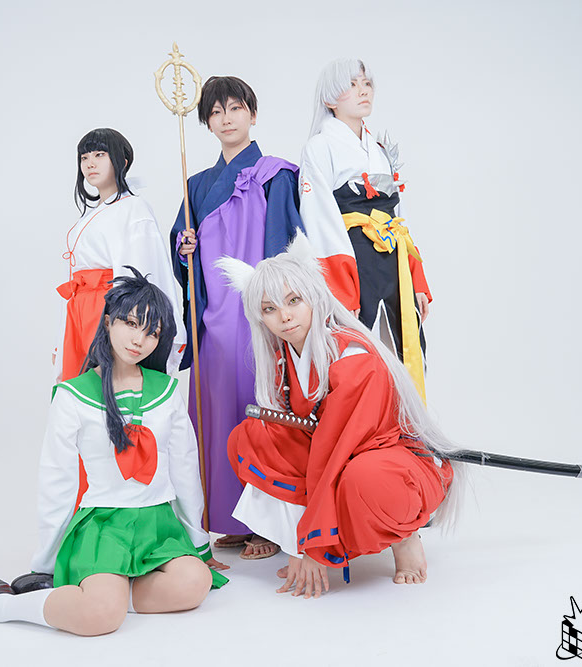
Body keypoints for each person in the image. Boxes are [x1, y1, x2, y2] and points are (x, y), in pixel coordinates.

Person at [0, 269, 227, 635]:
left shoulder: (166, 392)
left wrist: (199, 544)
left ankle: (111, 594)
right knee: (101, 618)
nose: (139, 340)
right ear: (108, 322)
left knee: (195, 584)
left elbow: (184, 470)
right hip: (103, 527)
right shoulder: (72, 396)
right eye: (131, 324)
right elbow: (58, 480)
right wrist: (45, 564)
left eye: (152, 332)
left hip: (158, 527)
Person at [217, 234, 465, 599]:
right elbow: (311, 443)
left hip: (385, 458)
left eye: (294, 300)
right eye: (269, 309)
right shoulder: (285, 357)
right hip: (332, 452)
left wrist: (313, 547)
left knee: (366, 479)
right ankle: (305, 540)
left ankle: (405, 538)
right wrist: (299, 546)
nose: (284, 316)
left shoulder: (352, 359)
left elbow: (334, 449)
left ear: (314, 296)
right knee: (252, 436)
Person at [169, 76, 304, 558]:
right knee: (217, 414)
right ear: (207, 122)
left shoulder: (275, 175)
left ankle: (269, 524)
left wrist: (276, 310)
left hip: (256, 314)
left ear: (252, 114)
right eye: (215, 112)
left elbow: (284, 248)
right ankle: (232, 518)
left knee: (263, 410)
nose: (226, 118)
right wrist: (184, 247)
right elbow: (182, 254)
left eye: (235, 108)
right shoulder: (197, 185)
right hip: (213, 319)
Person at [298, 59, 432, 401]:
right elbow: (320, 221)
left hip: (394, 262)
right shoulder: (319, 147)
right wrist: (341, 288)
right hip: (354, 264)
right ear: (329, 99)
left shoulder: (380, 151)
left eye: (367, 83)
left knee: (404, 350)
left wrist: (416, 278)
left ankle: (405, 428)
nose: (363, 91)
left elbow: (398, 219)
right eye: (352, 84)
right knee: (356, 355)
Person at [55, 128, 185, 383]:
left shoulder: (133, 208)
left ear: (122, 161)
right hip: (79, 311)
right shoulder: (92, 214)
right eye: (84, 157)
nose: (90, 163)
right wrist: (60, 340)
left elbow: (138, 275)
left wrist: (130, 325)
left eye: (99, 155)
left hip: (106, 309)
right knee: (78, 389)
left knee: (108, 386)